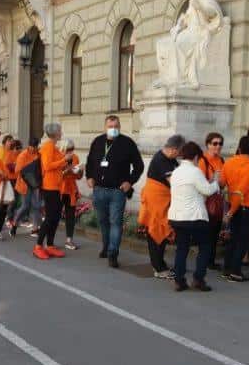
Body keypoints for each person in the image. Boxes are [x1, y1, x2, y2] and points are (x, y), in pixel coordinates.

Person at [86, 115, 145, 268]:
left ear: (120, 127)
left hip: (117, 191)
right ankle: (106, 246)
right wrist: (89, 177)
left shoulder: (127, 143)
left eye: (116, 126)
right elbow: (90, 162)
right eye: (110, 127)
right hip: (99, 189)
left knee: (115, 222)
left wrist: (129, 182)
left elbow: (139, 166)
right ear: (105, 127)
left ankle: (113, 253)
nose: (113, 129)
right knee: (103, 221)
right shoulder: (97, 142)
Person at [168, 141, 219, 292]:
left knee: (182, 248)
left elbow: (192, 189)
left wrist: (208, 183)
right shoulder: (195, 171)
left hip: (177, 216)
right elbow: (207, 190)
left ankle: (179, 280)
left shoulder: (176, 172)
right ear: (196, 157)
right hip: (194, 216)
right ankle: (198, 279)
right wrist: (216, 182)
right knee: (205, 246)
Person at [139, 135, 184, 279]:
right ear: (173, 149)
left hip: (163, 200)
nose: (179, 155)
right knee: (155, 232)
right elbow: (174, 182)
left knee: (162, 233)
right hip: (156, 201)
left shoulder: (170, 159)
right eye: (179, 152)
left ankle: (160, 264)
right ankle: (158, 268)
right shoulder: (161, 160)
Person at [222, 136, 249, 282]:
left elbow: (222, 183)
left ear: (239, 148)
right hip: (247, 206)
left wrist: (231, 209)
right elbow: (241, 191)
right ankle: (235, 272)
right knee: (243, 241)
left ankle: (227, 268)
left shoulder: (229, 162)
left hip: (234, 204)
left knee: (234, 238)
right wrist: (231, 212)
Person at [34, 122, 73, 260]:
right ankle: (38, 246)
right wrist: (64, 160)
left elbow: (56, 166)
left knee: (55, 217)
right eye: (60, 131)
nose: (61, 133)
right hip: (49, 187)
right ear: (55, 133)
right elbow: (48, 166)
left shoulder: (53, 146)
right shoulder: (48, 146)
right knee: (50, 217)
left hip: (56, 186)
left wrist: (66, 163)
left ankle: (50, 245)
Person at [198, 132, 226, 270]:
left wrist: (222, 182)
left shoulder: (222, 160)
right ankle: (204, 260)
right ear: (208, 144)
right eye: (215, 143)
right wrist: (213, 179)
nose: (218, 146)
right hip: (206, 200)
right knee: (207, 233)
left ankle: (211, 260)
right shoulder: (203, 160)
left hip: (218, 199)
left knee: (215, 231)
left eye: (220, 143)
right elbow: (200, 182)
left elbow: (224, 180)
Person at [11, 137, 41, 237]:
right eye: (32, 146)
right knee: (25, 206)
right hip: (24, 184)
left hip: (35, 184)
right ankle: (14, 223)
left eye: (35, 146)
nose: (33, 148)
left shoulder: (39, 154)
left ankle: (35, 229)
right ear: (29, 145)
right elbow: (17, 170)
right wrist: (31, 165)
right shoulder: (22, 155)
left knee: (36, 206)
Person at [58, 138, 83, 251]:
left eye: (72, 149)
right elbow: (55, 175)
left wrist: (80, 171)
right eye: (68, 149)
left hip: (71, 190)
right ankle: (49, 240)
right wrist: (65, 171)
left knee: (70, 216)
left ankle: (69, 240)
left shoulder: (75, 157)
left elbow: (79, 177)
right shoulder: (59, 157)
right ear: (63, 148)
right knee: (54, 215)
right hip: (59, 189)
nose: (71, 151)